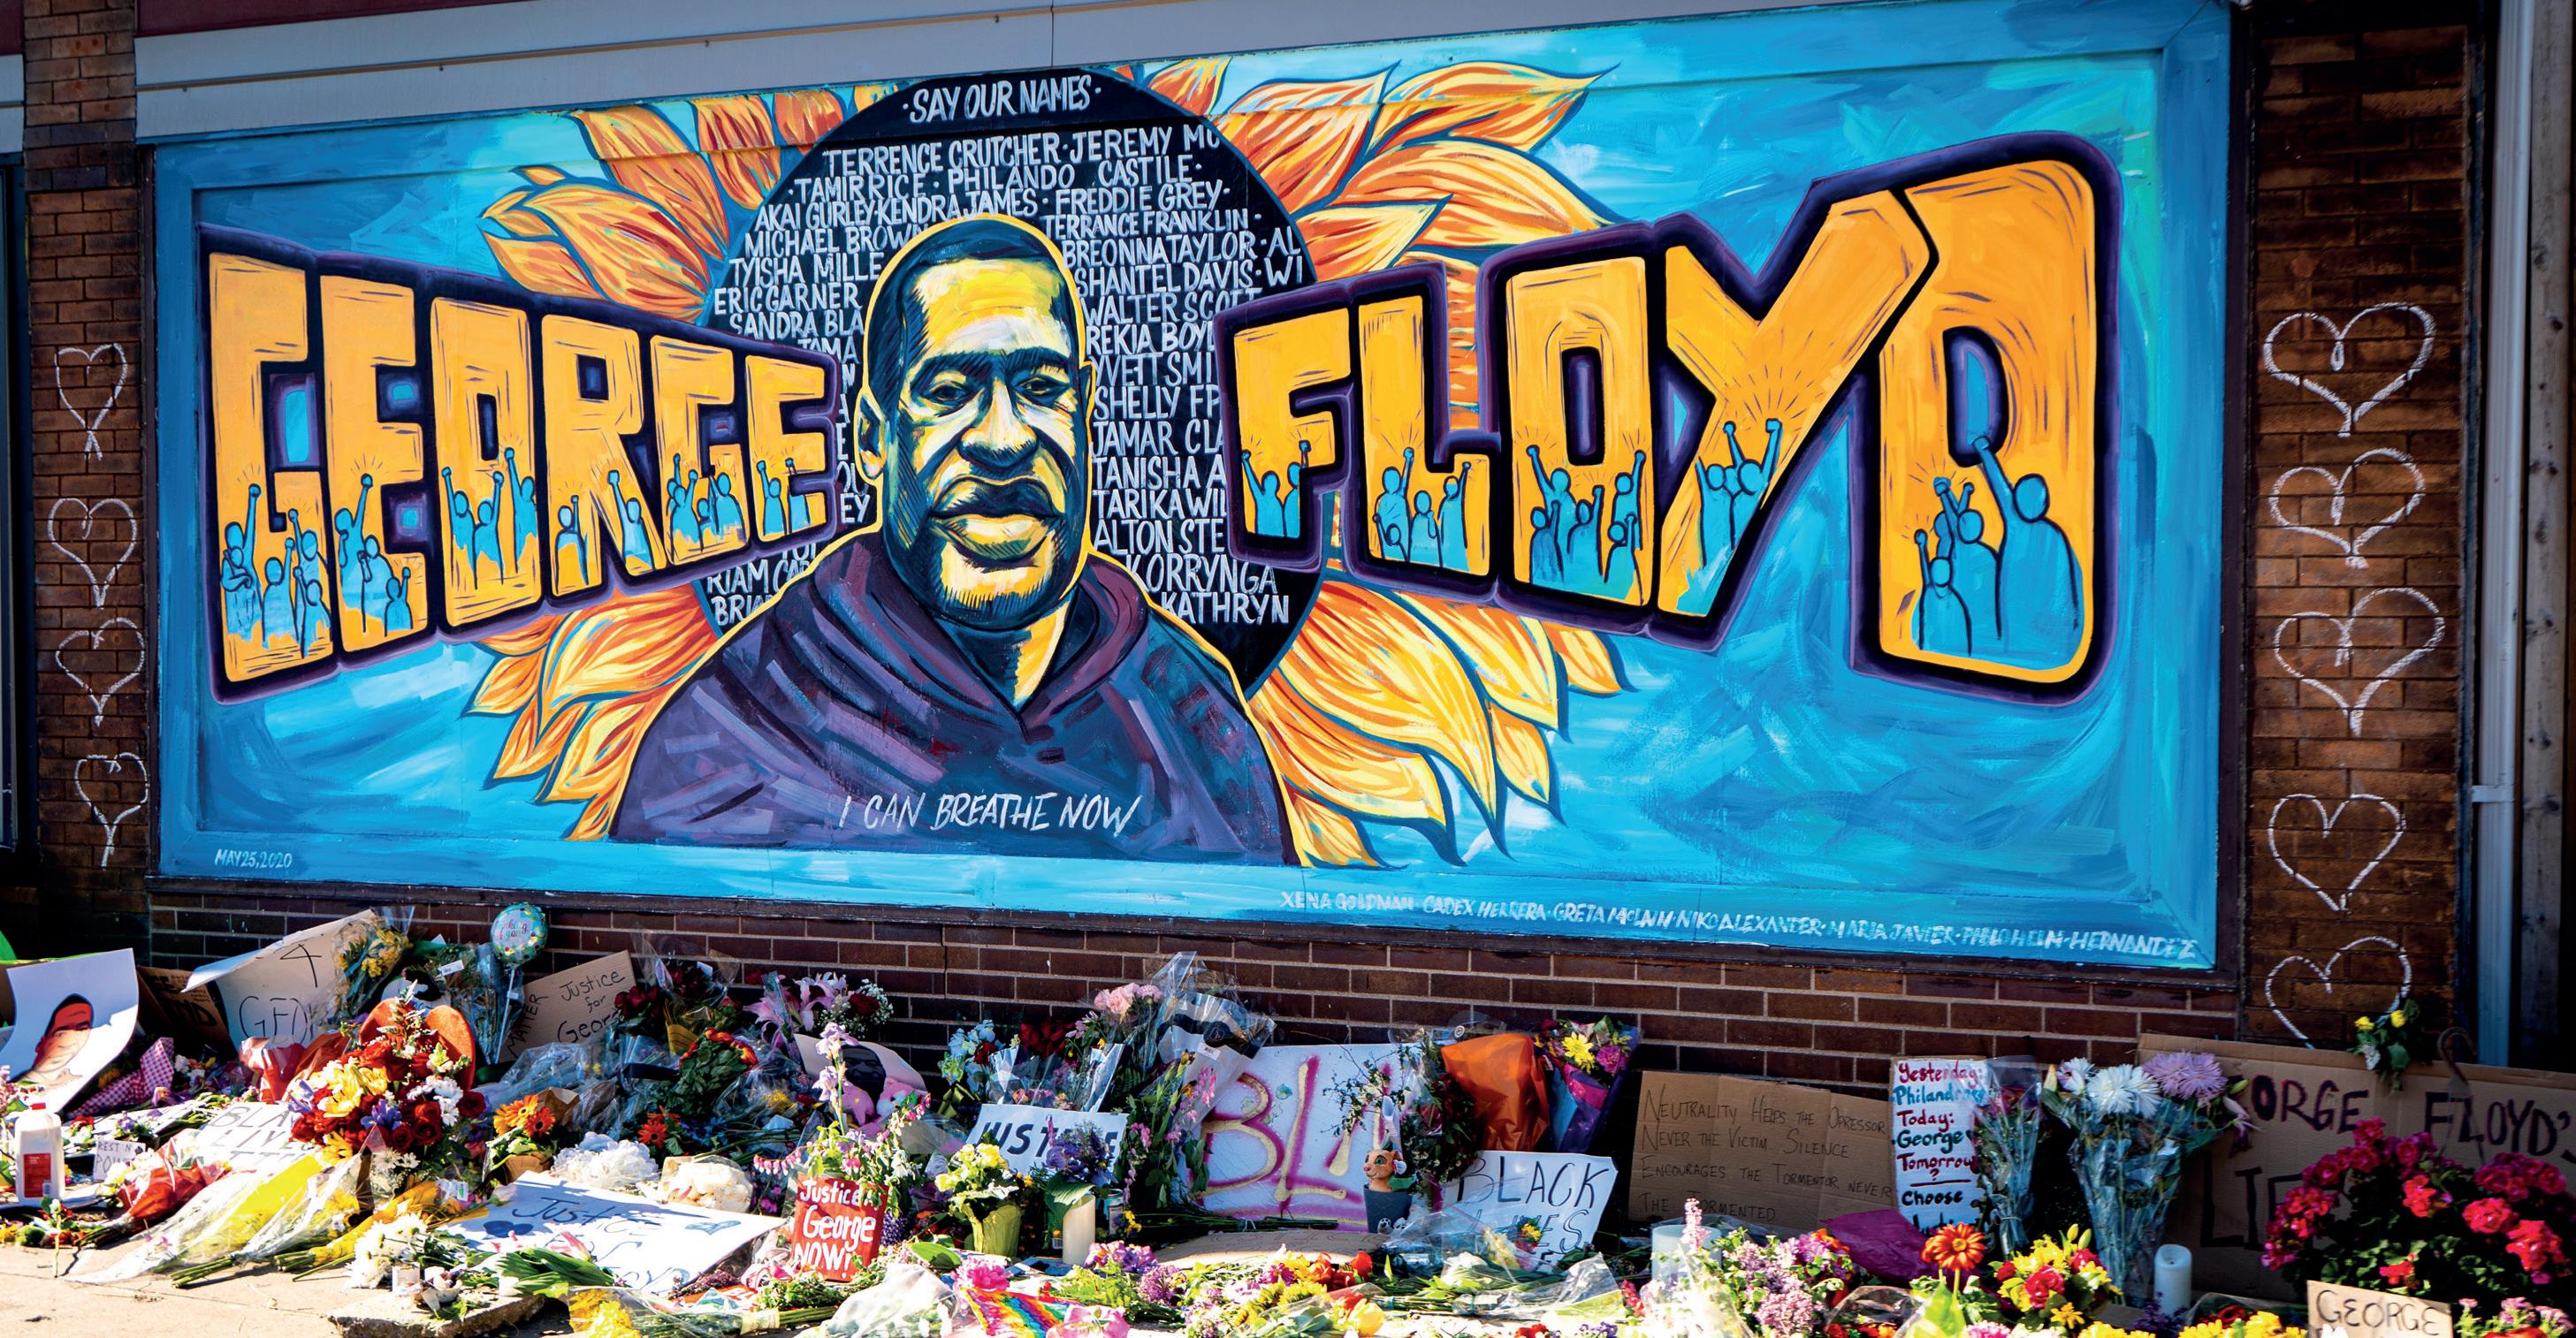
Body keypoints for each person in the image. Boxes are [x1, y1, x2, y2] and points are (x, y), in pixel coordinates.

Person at [613, 216, 1291, 863]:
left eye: (1041, 386)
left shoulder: (1190, 718)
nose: (1004, 440)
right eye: (948, 391)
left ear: (1085, 413)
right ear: (874, 439)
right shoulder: (734, 733)